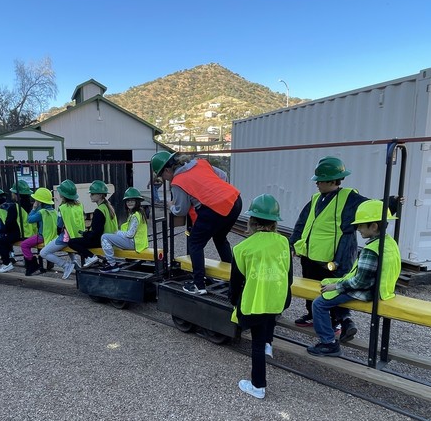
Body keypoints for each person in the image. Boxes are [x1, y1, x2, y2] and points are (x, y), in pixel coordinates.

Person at [306, 200, 401, 357]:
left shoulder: (371, 250)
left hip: (369, 291)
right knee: (329, 287)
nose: (358, 229)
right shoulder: (389, 243)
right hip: (385, 290)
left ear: (374, 226)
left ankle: (329, 343)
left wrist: (337, 287)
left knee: (319, 304)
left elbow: (360, 282)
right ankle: (344, 320)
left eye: (361, 225)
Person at [290, 156, 366, 341]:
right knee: (310, 288)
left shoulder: (349, 198)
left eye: (320, 181)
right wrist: (293, 243)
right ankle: (313, 315)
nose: (317, 184)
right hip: (310, 255)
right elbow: (302, 222)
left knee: (333, 290)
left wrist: (392, 202)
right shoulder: (316, 198)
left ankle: (339, 320)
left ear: (333, 180)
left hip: (331, 258)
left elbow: (371, 208)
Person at [151, 150, 242, 295]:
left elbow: (181, 210)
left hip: (214, 208)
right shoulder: (201, 163)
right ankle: (233, 277)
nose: (164, 180)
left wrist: (170, 206)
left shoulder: (178, 181)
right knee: (219, 238)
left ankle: (199, 286)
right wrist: (217, 193)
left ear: (167, 170)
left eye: (162, 176)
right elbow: (223, 176)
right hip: (235, 200)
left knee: (195, 243)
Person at [229, 194, 292, 400]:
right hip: (277, 299)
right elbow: (288, 275)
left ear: (251, 221)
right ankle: (268, 344)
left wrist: (234, 302)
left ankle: (258, 386)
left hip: (255, 302)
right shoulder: (284, 242)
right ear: (275, 222)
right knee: (269, 322)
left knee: (255, 344)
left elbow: (236, 282)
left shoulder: (242, 248)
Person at [39, 180, 86, 280]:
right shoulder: (79, 205)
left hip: (66, 238)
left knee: (44, 252)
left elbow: (59, 225)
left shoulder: (62, 207)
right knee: (67, 244)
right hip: (79, 236)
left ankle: (65, 265)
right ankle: (74, 260)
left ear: (63, 194)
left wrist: (58, 232)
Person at [93, 187, 149, 270]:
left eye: (132, 201)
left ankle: (112, 264)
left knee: (105, 237)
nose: (129, 203)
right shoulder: (139, 212)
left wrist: (118, 233)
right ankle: (113, 260)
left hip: (134, 243)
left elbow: (130, 234)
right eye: (128, 201)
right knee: (111, 237)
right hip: (139, 243)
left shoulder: (135, 215)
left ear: (137, 202)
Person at [69, 180, 118, 267]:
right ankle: (97, 258)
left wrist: (85, 234)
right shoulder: (108, 207)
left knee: (72, 242)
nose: (90, 196)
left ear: (99, 195)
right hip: (111, 240)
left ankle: (91, 257)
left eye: (92, 194)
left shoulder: (99, 211)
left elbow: (96, 233)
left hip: (102, 241)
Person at [0, 180, 35, 274]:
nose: (12, 195)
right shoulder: (33, 205)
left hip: (21, 234)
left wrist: (3, 231)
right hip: (34, 233)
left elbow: (9, 224)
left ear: (17, 194)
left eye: (13, 193)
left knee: (2, 241)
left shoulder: (14, 207)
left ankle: (6, 263)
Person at [21, 187, 58, 276]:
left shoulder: (42, 212)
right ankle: (46, 263)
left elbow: (29, 220)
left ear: (39, 202)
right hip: (53, 236)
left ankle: (32, 266)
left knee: (24, 245)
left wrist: (34, 208)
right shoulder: (54, 211)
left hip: (43, 236)